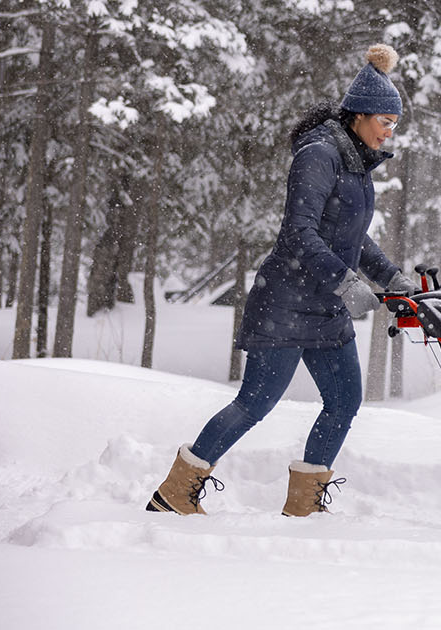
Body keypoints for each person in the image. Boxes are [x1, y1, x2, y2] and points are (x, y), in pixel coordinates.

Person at [146, 44, 418, 517]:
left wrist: (391, 277)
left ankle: (304, 506)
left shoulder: (356, 162)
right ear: (359, 115)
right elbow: (299, 234)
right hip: (286, 304)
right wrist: (345, 281)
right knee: (254, 404)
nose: (390, 130)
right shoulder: (319, 155)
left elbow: (352, 236)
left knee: (344, 401)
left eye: (395, 122)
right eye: (386, 120)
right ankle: (175, 492)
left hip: (324, 308)